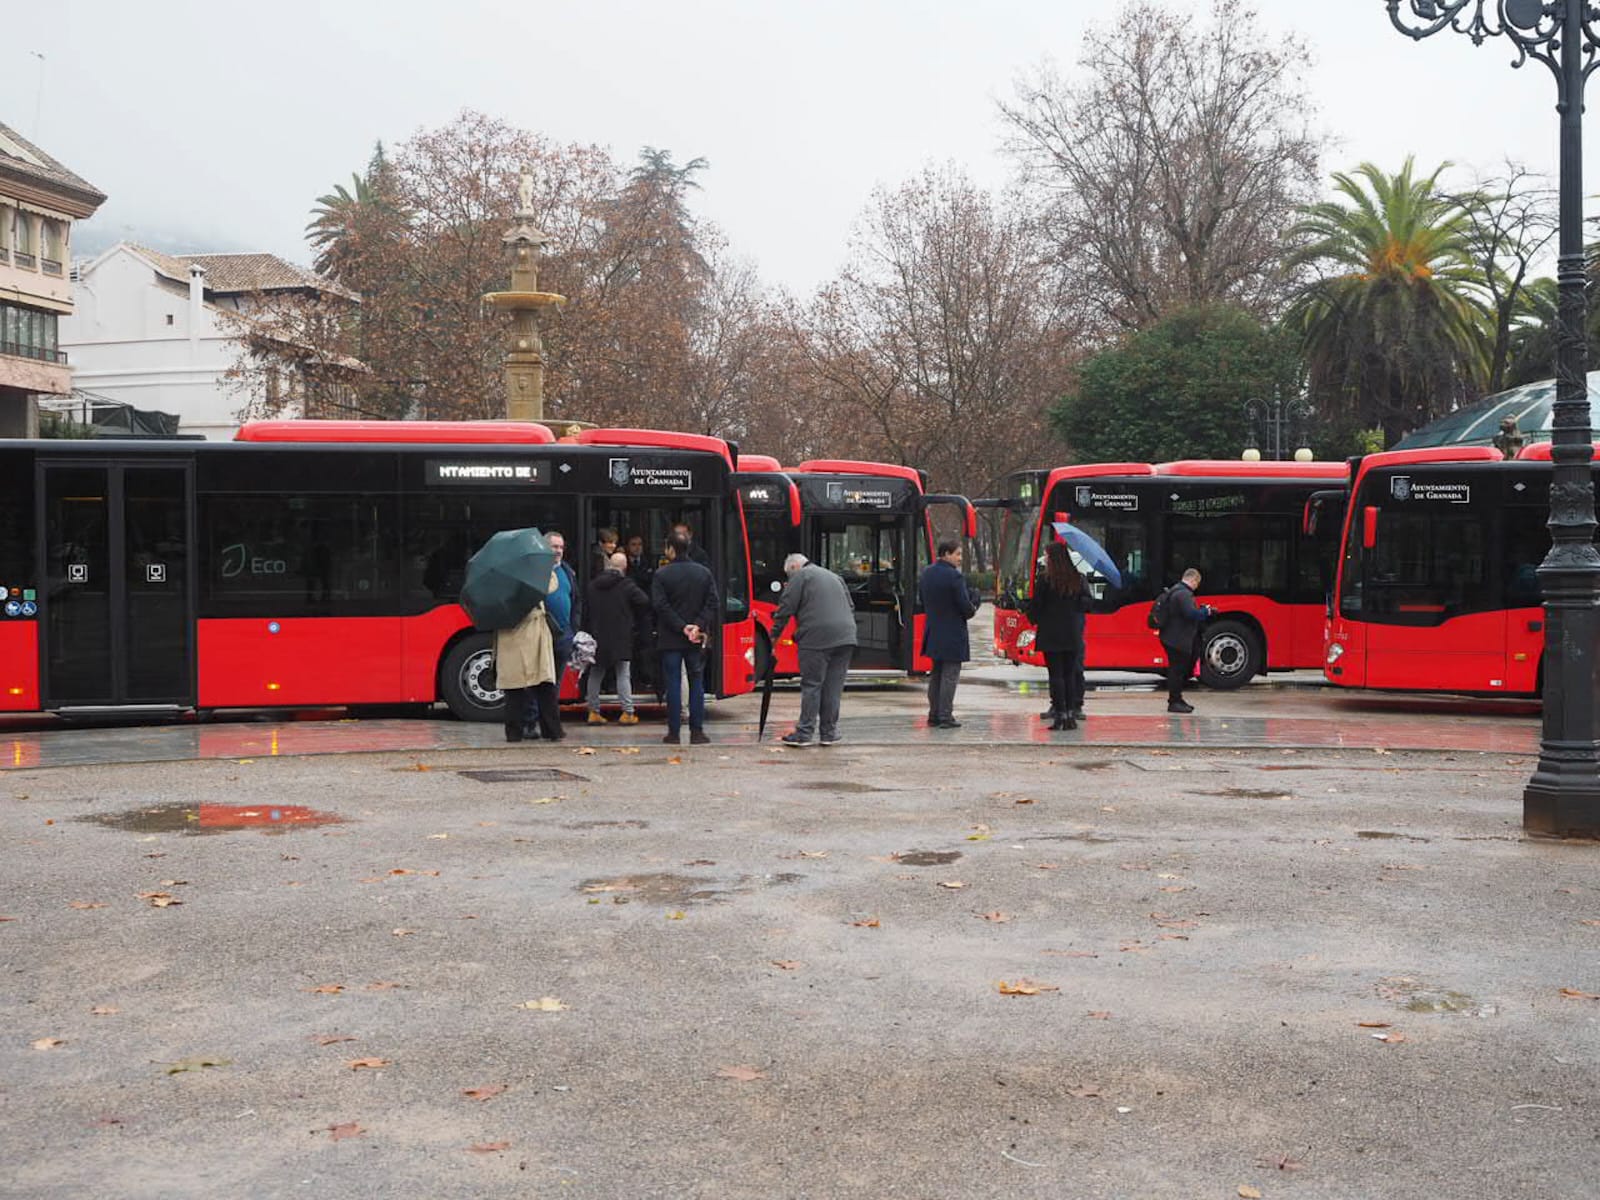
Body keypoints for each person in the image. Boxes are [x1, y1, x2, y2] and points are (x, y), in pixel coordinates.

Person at [771, 553, 858, 747]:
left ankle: (804, 733)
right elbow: (850, 606)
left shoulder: (801, 576)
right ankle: (829, 732)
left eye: (788, 575)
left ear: (794, 567)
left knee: (812, 685)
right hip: (846, 637)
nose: (789, 579)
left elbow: (785, 608)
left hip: (816, 637)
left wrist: (773, 637)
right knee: (833, 687)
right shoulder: (834, 576)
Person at [652, 532, 718, 745]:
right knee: (696, 682)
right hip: (695, 638)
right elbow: (713, 602)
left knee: (673, 683)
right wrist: (696, 625)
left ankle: (673, 732)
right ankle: (697, 731)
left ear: (670, 549)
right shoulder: (704, 573)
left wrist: (682, 627)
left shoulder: (662, 574)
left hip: (671, 637)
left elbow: (660, 606)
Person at [1028, 541, 1092, 731]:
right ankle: (1070, 715)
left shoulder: (1045, 580)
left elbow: (1036, 607)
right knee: (1069, 674)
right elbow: (1087, 603)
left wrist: (1032, 615)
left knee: (1056, 675)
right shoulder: (1078, 579)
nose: (1045, 559)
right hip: (1072, 633)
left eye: (1047, 556)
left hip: (1051, 634)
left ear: (1053, 558)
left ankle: (1060, 714)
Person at [582, 551, 651, 725]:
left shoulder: (593, 585)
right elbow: (644, 601)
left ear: (609, 566)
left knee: (596, 673)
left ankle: (593, 712)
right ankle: (627, 712)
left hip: (597, 636)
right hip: (621, 637)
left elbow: (586, 611)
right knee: (623, 674)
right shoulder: (626, 585)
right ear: (625, 567)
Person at [918, 538, 979, 729]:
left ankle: (934, 714)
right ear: (946, 554)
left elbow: (922, 600)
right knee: (950, 677)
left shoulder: (926, 573)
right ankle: (945, 716)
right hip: (952, 634)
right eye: (957, 554)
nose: (960, 558)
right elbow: (965, 608)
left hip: (933, 632)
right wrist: (974, 603)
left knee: (936, 675)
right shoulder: (954, 577)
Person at [494, 582, 563, 743]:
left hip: (508, 642)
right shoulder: (531, 582)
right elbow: (551, 585)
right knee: (544, 686)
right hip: (533, 638)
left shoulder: (498, 590)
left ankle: (514, 733)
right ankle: (552, 730)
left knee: (513, 689)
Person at [1158, 567, 1216, 714]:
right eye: (1197, 583)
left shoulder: (1175, 590)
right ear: (1193, 580)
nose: (1197, 586)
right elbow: (1191, 614)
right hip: (1177, 639)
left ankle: (1177, 699)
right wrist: (1206, 611)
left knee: (1177, 670)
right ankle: (1175, 702)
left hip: (1171, 637)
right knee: (1178, 671)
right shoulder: (1184, 594)